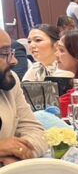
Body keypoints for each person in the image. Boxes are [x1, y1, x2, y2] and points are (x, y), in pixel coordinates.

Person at [0, 29, 47, 164]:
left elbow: (35, 131)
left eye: (11, 52)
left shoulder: (10, 81)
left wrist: (17, 155)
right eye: (4, 53)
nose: (14, 61)